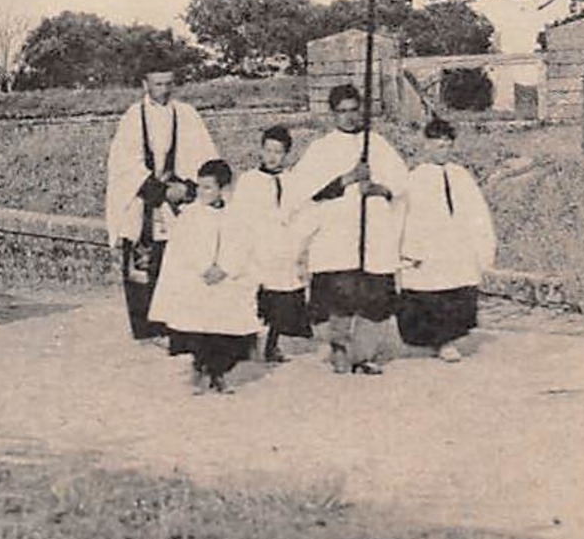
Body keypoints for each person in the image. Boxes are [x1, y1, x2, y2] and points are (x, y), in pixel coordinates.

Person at [285, 84, 408, 374]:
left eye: (354, 110)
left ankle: (363, 353)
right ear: (333, 114)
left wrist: (377, 187)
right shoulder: (322, 148)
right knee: (341, 292)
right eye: (342, 112)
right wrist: (346, 179)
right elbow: (305, 192)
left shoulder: (377, 143)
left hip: (373, 229)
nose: (349, 118)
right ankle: (339, 347)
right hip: (337, 231)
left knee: (375, 294)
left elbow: (401, 184)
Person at [104, 67, 218, 341]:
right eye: (157, 84)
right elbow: (124, 165)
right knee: (142, 261)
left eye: (169, 84)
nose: (164, 90)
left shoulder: (187, 115)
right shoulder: (133, 118)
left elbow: (206, 158)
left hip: (179, 200)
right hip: (145, 198)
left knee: (178, 260)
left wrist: (188, 188)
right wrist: (159, 190)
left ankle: (178, 325)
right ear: (145, 83)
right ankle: (146, 328)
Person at [149, 159, 260, 394]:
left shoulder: (237, 215)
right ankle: (199, 368)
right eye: (199, 187)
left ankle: (218, 372)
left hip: (225, 277)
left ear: (224, 189)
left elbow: (243, 245)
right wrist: (203, 267)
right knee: (199, 327)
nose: (202, 192)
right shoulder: (191, 215)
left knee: (225, 327)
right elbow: (185, 247)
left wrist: (225, 267)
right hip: (198, 278)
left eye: (208, 187)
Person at [397, 118, 497, 362]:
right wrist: (409, 249)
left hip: (456, 245)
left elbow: (477, 211)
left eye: (447, 145)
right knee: (430, 293)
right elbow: (406, 215)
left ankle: (448, 339)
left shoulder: (460, 175)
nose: (443, 150)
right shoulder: (415, 178)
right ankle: (437, 340)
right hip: (428, 247)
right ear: (426, 145)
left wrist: (481, 242)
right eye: (437, 145)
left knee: (456, 292)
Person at [230, 125, 313, 362]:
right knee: (256, 296)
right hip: (257, 246)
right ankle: (248, 343)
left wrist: (296, 242)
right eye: (268, 150)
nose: (272, 157)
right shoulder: (249, 180)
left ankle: (272, 345)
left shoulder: (293, 180)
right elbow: (239, 216)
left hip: (283, 248)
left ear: (286, 154)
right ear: (261, 150)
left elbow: (302, 212)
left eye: (278, 152)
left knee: (280, 298)